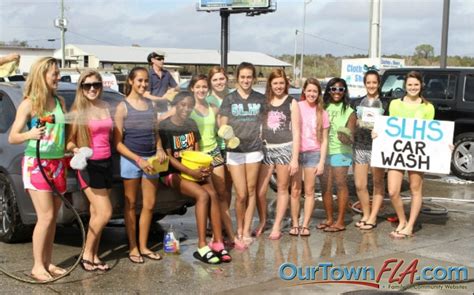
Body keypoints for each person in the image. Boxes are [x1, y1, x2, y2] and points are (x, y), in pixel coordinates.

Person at [8, 57, 67, 281]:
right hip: (37, 164)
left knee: (53, 218)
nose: (58, 77)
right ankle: (36, 266)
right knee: (46, 216)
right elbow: (14, 137)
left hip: (58, 163)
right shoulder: (29, 103)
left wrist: (71, 147)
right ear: (42, 75)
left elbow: (62, 133)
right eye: (55, 73)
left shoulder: (59, 100)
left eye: (58, 73)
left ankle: (48, 262)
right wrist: (29, 134)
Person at [159, 91, 231, 263]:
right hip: (172, 173)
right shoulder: (166, 126)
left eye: (190, 106)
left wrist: (205, 167)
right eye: (183, 105)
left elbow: (197, 151)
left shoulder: (191, 123)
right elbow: (169, 157)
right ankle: (201, 246)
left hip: (192, 171)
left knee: (213, 194)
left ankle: (218, 243)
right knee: (203, 195)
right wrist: (191, 172)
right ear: (175, 105)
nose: (186, 109)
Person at [114, 66, 167, 264]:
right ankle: (133, 247)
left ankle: (144, 246)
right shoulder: (123, 107)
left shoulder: (151, 106)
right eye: (139, 81)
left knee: (149, 205)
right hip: (131, 162)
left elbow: (156, 133)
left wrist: (160, 149)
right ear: (130, 82)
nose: (143, 84)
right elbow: (117, 143)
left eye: (146, 81)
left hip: (151, 160)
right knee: (130, 205)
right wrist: (138, 160)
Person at [188, 74, 244, 250]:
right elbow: (167, 119)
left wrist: (236, 136)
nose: (201, 90)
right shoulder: (187, 108)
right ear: (192, 89)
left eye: (204, 87)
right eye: (198, 87)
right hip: (199, 156)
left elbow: (224, 128)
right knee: (209, 195)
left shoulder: (213, 107)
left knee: (222, 196)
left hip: (215, 153)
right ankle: (213, 236)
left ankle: (230, 236)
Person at [66, 70, 113, 271]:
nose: (92, 88)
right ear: (82, 89)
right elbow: (69, 142)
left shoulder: (106, 106)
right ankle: (86, 254)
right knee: (105, 212)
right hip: (89, 166)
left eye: (96, 84)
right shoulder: (78, 112)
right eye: (87, 85)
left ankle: (93, 255)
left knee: (96, 213)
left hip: (107, 163)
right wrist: (77, 150)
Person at [219, 62, 266, 246]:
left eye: (249, 77)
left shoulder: (260, 99)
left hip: (254, 150)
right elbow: (222, 126)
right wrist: (226, 136)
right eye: (243, 77)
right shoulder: (229, 99)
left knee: (252, 190)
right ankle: (238, 227)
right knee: (240, 194)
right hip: (235, 152)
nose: (246, 80)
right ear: (237, 78)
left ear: (253, 78)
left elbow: (266, 122)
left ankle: (246, 230)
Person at [386, 71, 435, 238]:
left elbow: (431, 134)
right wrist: (377, 134)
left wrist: (445, 145)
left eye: (416, 84)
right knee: (393, 190)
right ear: (405, 86)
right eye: (410, 85)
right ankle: (402, 220)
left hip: (417, 153)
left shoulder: (428, 107)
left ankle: (410, 226)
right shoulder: (394, 104)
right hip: (397, 152)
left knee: (415, 189)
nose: (413, 87)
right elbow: (389, 129)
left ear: (421, 86)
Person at [255, 69, 300, 239]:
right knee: (260, 190)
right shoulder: (265, 102)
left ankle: (277, 225)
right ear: (270, 85)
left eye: (281, 83)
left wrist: (294, 158)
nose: (279, 86)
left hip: (284, 148)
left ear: (286, 84)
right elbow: (260, 126)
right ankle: (263, 220)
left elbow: (296, 131)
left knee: (282, 188)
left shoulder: (291, 102)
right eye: (275, 83)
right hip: (266, 148)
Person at [290, 78, 330, 237]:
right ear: (304, 91)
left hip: (314, 154)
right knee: (295, 191)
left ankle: (305, 224)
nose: (312, 94)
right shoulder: (296, 107)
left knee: (309, 191)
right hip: (296, 153)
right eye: (309, 90)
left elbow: (325, 139)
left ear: (318, 93)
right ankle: (294, 223)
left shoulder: (322, 112)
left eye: (315, 91)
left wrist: (321, 161)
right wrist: (293, 157)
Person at [351, 70, 388, 231]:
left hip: (378, 147)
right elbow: (351, 124)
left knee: (378, 183)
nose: (371, 85)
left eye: (374, 82)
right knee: (360, 184)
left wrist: (381, 131)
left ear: (379, 84)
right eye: (368, 82)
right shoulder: (357, 103)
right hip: (360, 145)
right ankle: (366, 214)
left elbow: (392, 127)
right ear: (365, 84)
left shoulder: (386, 104)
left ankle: (373, 217)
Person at [320, 78, 356, 232]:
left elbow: (352, 135)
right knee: (325, 186)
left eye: (340, 89)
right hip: (323, 151)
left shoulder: (349, 110)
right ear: (328, 90)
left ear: (344, 91)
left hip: (341, 151)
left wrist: (346, 137)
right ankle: (329, 218)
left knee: (340, 184)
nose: (337, 92)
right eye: (333, 89)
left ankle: (340, 221)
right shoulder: (322, 107)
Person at [206, 66, 233, 213]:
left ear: (226, 79)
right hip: (215, 148)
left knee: (228, 188)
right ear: (210, 82)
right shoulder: (207, 100)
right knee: (216, 189)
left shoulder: (233, 97)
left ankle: (224, 221)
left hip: (233, 147)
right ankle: (213, 223)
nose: (219, 82)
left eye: (221, 78)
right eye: (215, 79)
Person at [143, 51, 179, 120]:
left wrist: (171, 91)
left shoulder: (166, 73)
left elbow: (177, 87)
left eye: (163, 59)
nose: (162, 61)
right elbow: (146, 95)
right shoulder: (148, 75)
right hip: (151, 111)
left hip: (164, 110)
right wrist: (162, 99)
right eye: (159, 59)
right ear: (152, 60)